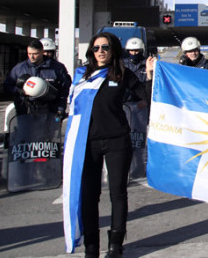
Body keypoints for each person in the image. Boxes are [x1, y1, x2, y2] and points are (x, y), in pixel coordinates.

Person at [63, 32, 154, 258]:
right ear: (90, 51)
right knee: (89, 195)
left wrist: (150, 75)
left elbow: (147, 96)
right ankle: (91, 247)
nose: (100, 52)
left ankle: (116, 246)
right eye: (96, 48)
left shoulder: (122, 73)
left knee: (118, 193)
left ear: (113, 50)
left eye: (105, 47)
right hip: (87, 143)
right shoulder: (81, 76)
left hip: (117, 140)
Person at [3, 38, 72, 117]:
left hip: (50, 113)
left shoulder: (57, 68)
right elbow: (7, 86)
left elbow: (64, 90)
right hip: (25, 113)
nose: (32, 57)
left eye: (35, 54)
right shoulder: (19, 69)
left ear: (42, 52)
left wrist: (61, 109)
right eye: (29, 53)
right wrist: (20, 91)